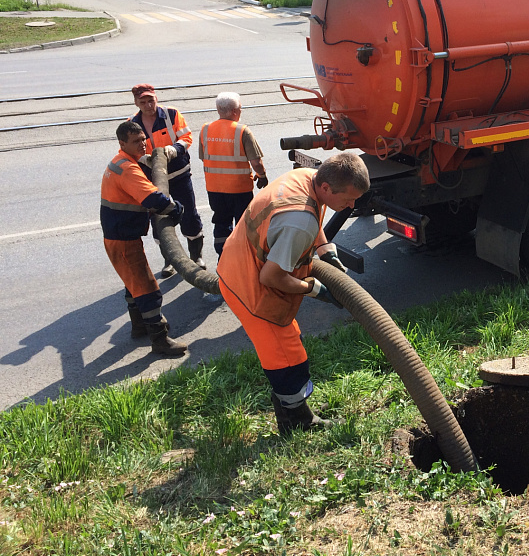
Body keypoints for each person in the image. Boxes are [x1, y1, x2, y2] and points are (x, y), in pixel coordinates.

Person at [217, 154, 370, 434]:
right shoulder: (299, 221)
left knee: (291, 341)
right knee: (288, 360)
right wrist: (312, 288)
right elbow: (271, 277)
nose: (352, 205)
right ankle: (297, 421)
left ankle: (298, 409)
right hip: (252, 290)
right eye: (349, 199)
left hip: (238, 260)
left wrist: (326, 251)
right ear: (326, 187)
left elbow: (313, 221)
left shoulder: (306, 178)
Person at [101, 121, 189, 356]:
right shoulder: (128, 169)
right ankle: (160, 339)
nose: (142, 144)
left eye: (143, 139)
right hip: (123, 240)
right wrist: (175, 207)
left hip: (119, 237)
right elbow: (152, 199)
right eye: (136, 141)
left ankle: (139, 326)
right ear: (122, 143)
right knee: (148, 288)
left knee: (133, 284)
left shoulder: (120, 162)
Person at [129, 83, 205, 275]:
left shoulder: (171, 115)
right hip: (153, 180)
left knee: (189, 214)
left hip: (179, 174)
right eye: (143, 102)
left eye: (151, 100)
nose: (148, 105)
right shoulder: (132, 123)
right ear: (136, 103)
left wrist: (175, 149)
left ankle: (196, 257)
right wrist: (143, 158)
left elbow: (186, 137)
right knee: (159, 219)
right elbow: (128, 149)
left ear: (156, 98)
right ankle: (169, 259)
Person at [198, 92, 268, 257]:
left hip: (214, 189)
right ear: (235, 111)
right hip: (239, 189)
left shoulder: (205, 129)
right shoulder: (242, 131)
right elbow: (256, 162)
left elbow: (204, 158)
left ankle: (223, 256)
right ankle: (240, 258)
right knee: (243, 224)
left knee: (221, 222)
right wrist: (262, 175)